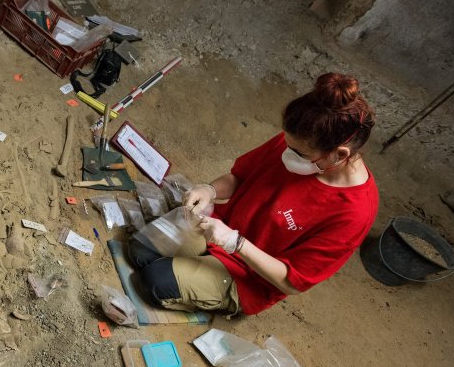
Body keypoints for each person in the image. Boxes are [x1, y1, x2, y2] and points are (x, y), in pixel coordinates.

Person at [129, 73, 379, 316]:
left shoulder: (353, 212)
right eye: (288, 144)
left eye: (300, 154)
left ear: (340, 154)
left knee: (155, 281)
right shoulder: (298, 143)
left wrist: (236, 243)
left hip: (250, 276)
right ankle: (194, 262)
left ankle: (220, 293)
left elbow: (291, 282)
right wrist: (210, 190)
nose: (288, 155)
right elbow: (240, 176)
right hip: (218, 228)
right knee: (140, 251)